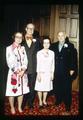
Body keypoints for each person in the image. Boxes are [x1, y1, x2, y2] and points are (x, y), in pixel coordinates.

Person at [50, 32, 78, 115]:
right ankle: (58, 100)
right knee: (57, 87)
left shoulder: (70, 45)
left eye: (62, 35)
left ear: (65, 36)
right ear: (57, 37)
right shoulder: (53, 45)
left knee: (67, 89)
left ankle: (68, 105)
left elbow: (73, 58)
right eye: (59, 35)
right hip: (56, 71)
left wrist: (72, 69)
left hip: (66, 71)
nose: (61, 37)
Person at [5, 32, 29, 114]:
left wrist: (23, 70)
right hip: (13, 74)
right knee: (12, 91)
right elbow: (9, 62)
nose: (19, 38)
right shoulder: (9, 48)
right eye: (17, 37)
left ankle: (19, 106)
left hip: (22, 73)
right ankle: (12, 107)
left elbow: (26, 60)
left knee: (21, 91)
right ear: (14, 37)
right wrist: (17, 71)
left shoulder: (23, 48)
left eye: (20, 37)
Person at [21, 23, 41, 109]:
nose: (30, 30)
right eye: (29, 28)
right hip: (23, 68)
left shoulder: (37, 41)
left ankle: (30, 103)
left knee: (32, 87)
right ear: (26, 29)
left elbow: (40, 54)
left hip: (33, 67)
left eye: (32, 28)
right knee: (22, 86)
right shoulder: (20, 39)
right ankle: (22, 103)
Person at [35, 37, 55, 109]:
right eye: (45, 43)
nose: (46, 44)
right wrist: (38, 74)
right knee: (40, 88)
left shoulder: (52, 53)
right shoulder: (39, 53)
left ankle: (44, 101)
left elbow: (53, 64)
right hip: (41, 73)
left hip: (48, 73)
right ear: (42, 44)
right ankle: (40, 101)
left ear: (50, 44)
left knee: (46, 88)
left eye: (48, 43)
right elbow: (38, 64)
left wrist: (52, 73)